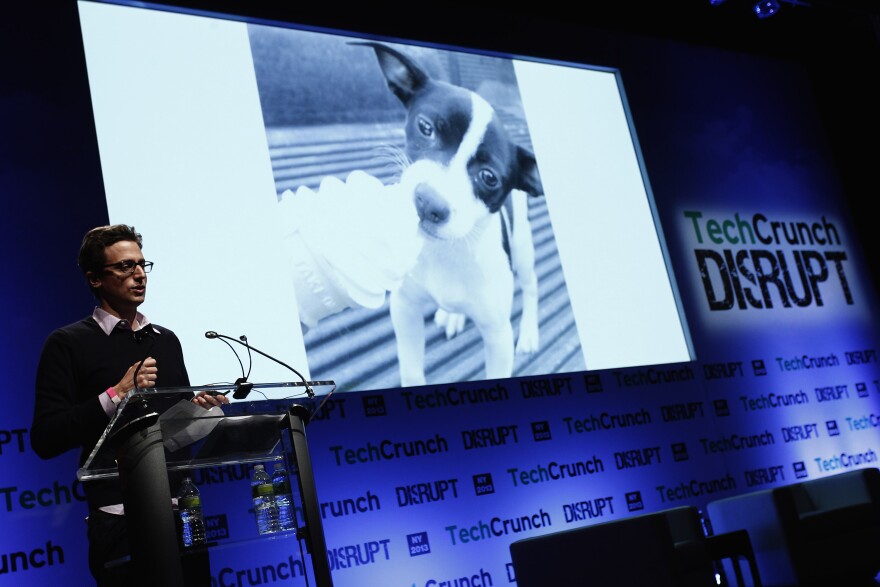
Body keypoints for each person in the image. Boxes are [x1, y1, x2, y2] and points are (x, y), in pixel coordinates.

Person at [30, 224, 227, 586]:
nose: (138, 274)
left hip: (182, 512)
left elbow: (173, 429)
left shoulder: (165, 341)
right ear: (94, 279)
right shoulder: (67, 343)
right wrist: (117, 393)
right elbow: (46, 437)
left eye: (141, 264)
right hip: (119, 519)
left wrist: (198, 408)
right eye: (124, 267)